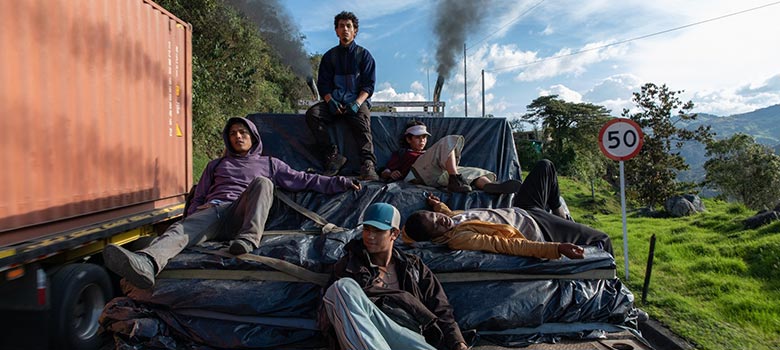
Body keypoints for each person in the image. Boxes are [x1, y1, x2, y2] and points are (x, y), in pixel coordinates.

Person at [103, 117, 360, 289]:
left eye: (243, 132)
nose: (238, 137)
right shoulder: (216, 165)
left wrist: (341, 183)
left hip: (242, 214)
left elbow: (304, 180)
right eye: (234, 133)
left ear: (253, 137)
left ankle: (248, 240)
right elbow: (199, 196)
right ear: (228, 139)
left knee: (263, 183)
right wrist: (191, 218)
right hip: (214, 213)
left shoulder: (270, 164)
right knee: (179, 230)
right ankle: (147, 263)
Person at [321, 203, 469, 350]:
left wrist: (458, 343)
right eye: (367, 229)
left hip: (410, 335)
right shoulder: (350, 266)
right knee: (341, 288)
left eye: (378, 230)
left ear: (394, 234)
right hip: (372, 335)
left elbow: (441, 308)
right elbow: (334, 312)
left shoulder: (413, 266)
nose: (370, 236)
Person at [404, 159, 613, 257]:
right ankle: (616, 290)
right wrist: (555, 248)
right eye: (436, 225)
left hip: (522, 209)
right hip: (537, 226)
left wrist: (437, 206)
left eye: (434, 216)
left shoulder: (450, 220)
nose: (442, 220)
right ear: (434, 237)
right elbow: (508, 245)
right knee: (602, 239)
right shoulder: (459, 238)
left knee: (545, 166)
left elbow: (448, 215)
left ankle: (562, 213)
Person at [306, 11, 378, 180]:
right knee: (313, 115)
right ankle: (333, 156)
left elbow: (369, 85)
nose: (345, 29)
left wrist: (358, 103)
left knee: (363, 123)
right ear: (336, 31)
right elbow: (323, 85)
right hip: (335, 103)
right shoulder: (329, 57)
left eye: (348, 26)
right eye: (341, 26)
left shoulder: (364, 56)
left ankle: (368, 164)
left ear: (355, 31)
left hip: (357, 103)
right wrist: (330, 102)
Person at [380, 120, 522, 194]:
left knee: (475, 172)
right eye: (418, 137)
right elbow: (385, 170)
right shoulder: (403, 153)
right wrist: (390, 173)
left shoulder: (429, 152)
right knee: (448, 142)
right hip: (416, 174)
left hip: (438, 175)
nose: (422, 140)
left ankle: (491, 187)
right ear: (409, 139)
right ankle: (455, 179)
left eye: (424, 137)